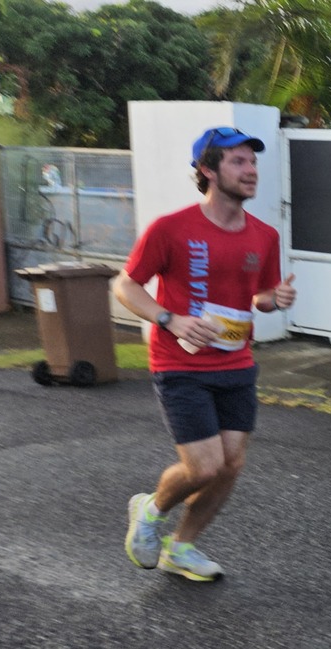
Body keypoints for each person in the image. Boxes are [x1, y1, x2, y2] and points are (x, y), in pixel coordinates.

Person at [113, 126, 296, 582]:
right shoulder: (171, 228)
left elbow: (260, 297)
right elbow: (126, 285)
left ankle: (182, 547)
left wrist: (275, 300)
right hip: (180, 364)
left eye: (253, 162)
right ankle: (150, 511)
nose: (251, 170)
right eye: (238, 161)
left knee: (230, 465)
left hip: (236, 363)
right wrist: (169, 319)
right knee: (205, 466)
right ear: (207, 170)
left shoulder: (264, 235)